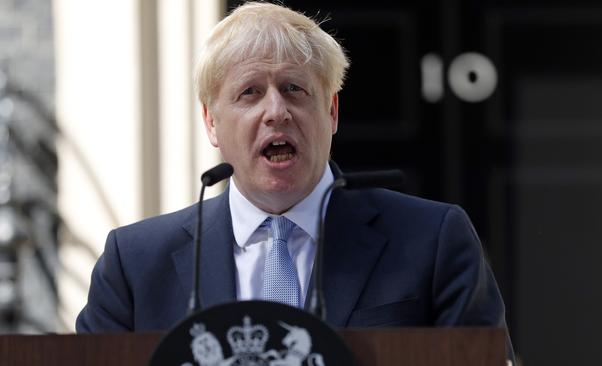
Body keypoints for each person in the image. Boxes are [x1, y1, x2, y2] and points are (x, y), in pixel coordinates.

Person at [76, 1, 514, 359]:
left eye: (294, 89)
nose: (276, 112)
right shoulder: (134, 263)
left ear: (332, 112)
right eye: (250, 92)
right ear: (211, 122)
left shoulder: (432, 240)